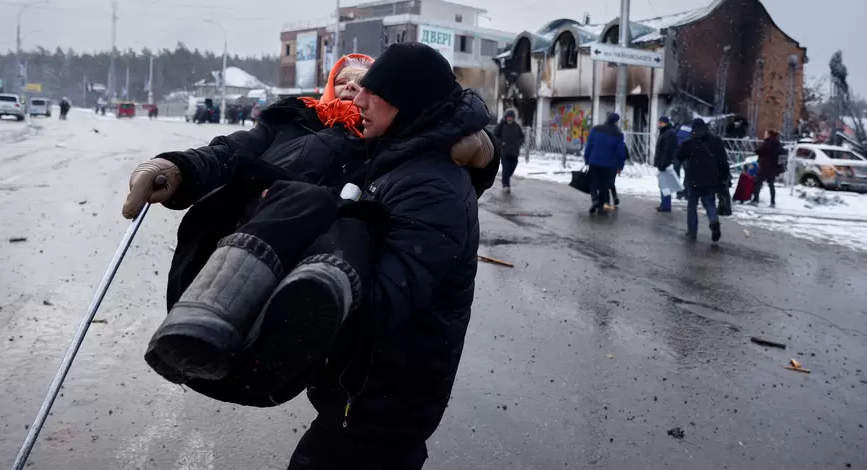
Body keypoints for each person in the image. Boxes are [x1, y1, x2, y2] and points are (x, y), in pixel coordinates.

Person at [123, 46, 498, 470]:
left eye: (366, 83)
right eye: (344, 80)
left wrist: (481, 148)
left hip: (386, 380)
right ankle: (209, 320)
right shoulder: (300, 123)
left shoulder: (387, 149)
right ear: (325, 86)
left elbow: (430, 186)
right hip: (353, 375)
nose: (353, 93)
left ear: (402, 100)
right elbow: (233, 153)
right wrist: (178, 168)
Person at [677, 118, 730, 242]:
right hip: (711, 180)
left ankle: (692, 232)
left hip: (694, 179)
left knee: (692, 206)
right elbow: (723, 161)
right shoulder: (716, 141)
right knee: (710, 203)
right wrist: (723, 178)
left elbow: (679, 156)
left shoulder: (689, 142)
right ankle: (714, 221)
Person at [583, 113, 627, 214]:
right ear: (616, 122)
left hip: (594, 161)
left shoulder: (596, 129)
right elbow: (621, 152)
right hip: (609, 164)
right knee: (604, 185)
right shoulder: (618, 134)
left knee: (593, 181)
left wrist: (586, 158)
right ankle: (601, 206)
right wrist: (620, 166)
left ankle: (595, 199)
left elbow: (589, 145)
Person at [493, 109, 524, 193]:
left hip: (514, 152)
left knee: (513, 167)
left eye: (511, 117)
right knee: (506, 168)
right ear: (506, 117)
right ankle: (506, 186)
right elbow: (494, 136)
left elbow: (522, 137)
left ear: (513, 118)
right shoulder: (501, 125)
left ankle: (505, 179)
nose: (509, 119)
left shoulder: (516, 126)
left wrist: (519, 143)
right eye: (508, 117)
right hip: (504, 152)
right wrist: (500, 143)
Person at [654, 116, 678, 212]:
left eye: (661, 123)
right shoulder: (665, 132)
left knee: (665, 185)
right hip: (663, 163)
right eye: (659, 122)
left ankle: (666, 205)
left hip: (665, 163)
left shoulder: (669, 134)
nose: (659, 124)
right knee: (663, 184)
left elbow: (667, 151)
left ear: (666, 123)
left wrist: (663, 163)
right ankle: (664, 204)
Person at [753, 129, 782, 207]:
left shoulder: (767, 143)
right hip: (773, 168)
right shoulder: (777, 143)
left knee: (758, 183)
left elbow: (758, 151)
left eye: (765, 134)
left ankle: (755, 199)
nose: (764, 135)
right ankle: (772, 202)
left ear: (769, 135)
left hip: (764, 167)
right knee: (771, 185)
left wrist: (757, 147)